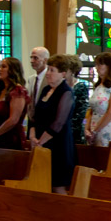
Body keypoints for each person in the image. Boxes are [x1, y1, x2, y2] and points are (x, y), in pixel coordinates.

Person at [28, 55, 76, 194]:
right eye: (48, 69)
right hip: (40, 143)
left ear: (63, 73)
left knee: (57, 185)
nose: (48, 73)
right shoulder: (45, 90)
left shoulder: (66, 92)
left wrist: (40, 141)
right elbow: (34, 115)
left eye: (52, 70)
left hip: (58, 145)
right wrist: (32, 136)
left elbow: (59, 122)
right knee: (41, 183)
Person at [0, 56, 29, 149]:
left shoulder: (17, 91)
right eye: (0, 66)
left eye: (4, 67)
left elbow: (13, 119)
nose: (0, 69)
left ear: (13, 70)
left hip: (11, 138)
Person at [85, 52, 111, 146]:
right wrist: (87, 128)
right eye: (96, 64)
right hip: (94, 129)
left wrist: (96, 131)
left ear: (109, 66)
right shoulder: (98, 85)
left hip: (108, 129)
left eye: (100, 64)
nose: (96, 67)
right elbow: (91, 110)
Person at [66, 55, 90, 146]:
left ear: (72, 71)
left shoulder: (80, 87)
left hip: (74, 132)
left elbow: (80, 113)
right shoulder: (60, 86)